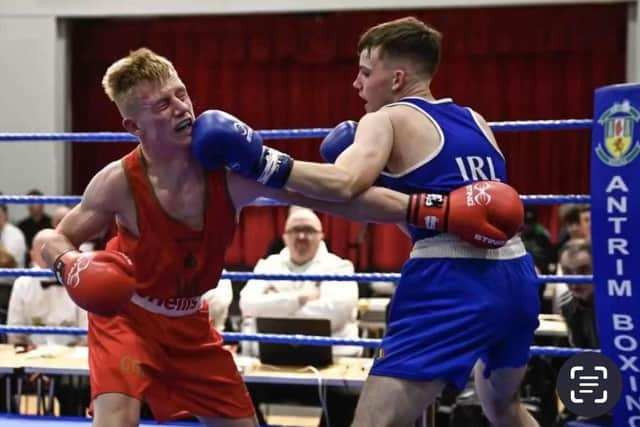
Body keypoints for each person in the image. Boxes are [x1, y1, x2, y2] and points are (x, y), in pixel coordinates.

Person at [39, 48, 501, 427]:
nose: (181, 107)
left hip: (190, 324)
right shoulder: (117, 182)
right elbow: (51, 238)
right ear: (133, 126)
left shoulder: (230, 174)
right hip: (128, 318)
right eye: (162, 104)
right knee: (115, 420)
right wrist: (70, 263)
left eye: (181, 94)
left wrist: (430, 210)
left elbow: (333, 198)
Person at [192, 17, 538, 427]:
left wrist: (261, 162)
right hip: (517, 276)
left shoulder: (387, 118)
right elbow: (428, 209)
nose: (357, 84)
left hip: (450, 280)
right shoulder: (476, 120)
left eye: (365, 72)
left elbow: (344, 184)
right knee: (505, 409)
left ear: (396, 79)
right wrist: (278, 186)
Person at [239, 206, 360, 357]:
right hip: (267, 360)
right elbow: (247, 306)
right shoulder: (267, 265)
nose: (302, 236)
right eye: (295, 230)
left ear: (321, 235)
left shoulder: (340, 267)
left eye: (309, 230)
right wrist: (299, 298)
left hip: (334, 362)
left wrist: (271, 307)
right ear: (285, 237)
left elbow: (336, 314)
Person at [7, 229, 87, 347]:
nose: (49, 258)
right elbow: (15, 334)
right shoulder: (22, 283)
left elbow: (87, 335)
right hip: (32, 355)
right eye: (43, 253)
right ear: (32, 256)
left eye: (54, 252)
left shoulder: (79, 282)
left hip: (72, 355)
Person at [17, 189, 52, 266]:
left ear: (42, 204)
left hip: (48, 261)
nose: (31, 205)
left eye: (34, 202)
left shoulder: (51, 223)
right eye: (29, 202)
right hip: (27, 263)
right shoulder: (21, 225)